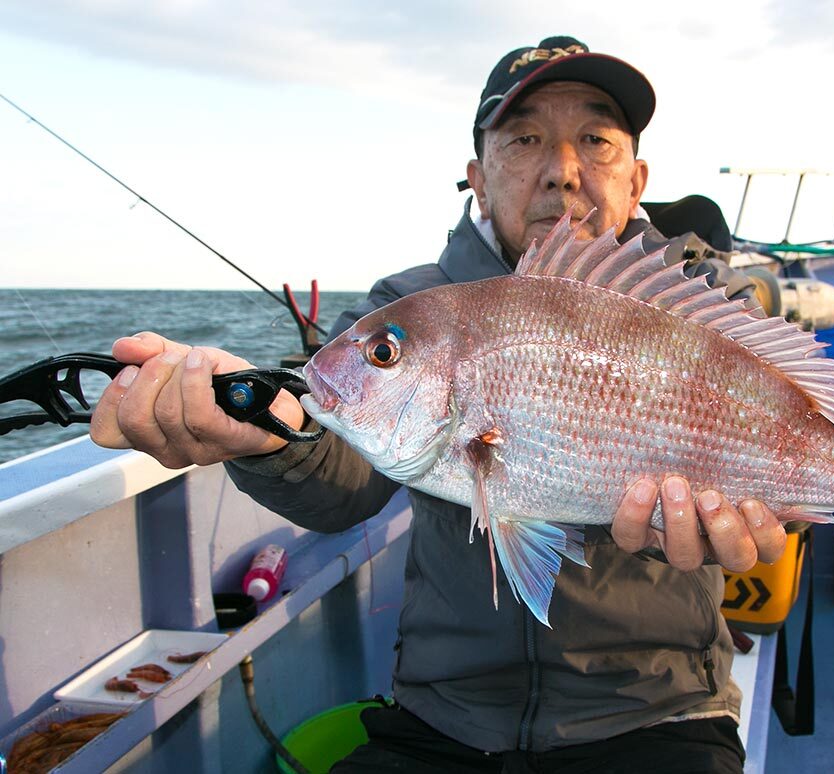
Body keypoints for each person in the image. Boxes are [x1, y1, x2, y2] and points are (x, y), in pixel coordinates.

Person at [90, 35, 787, 773]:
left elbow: (790, 439)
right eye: (526, 139)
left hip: (660, 707)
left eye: (595, 139)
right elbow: (349, 473)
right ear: (478, 178)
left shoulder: (708, 304)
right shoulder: (407, 307)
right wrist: (266, 431)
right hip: (446, 713)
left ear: (637, 178)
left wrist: (772, 515)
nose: (562, 171)